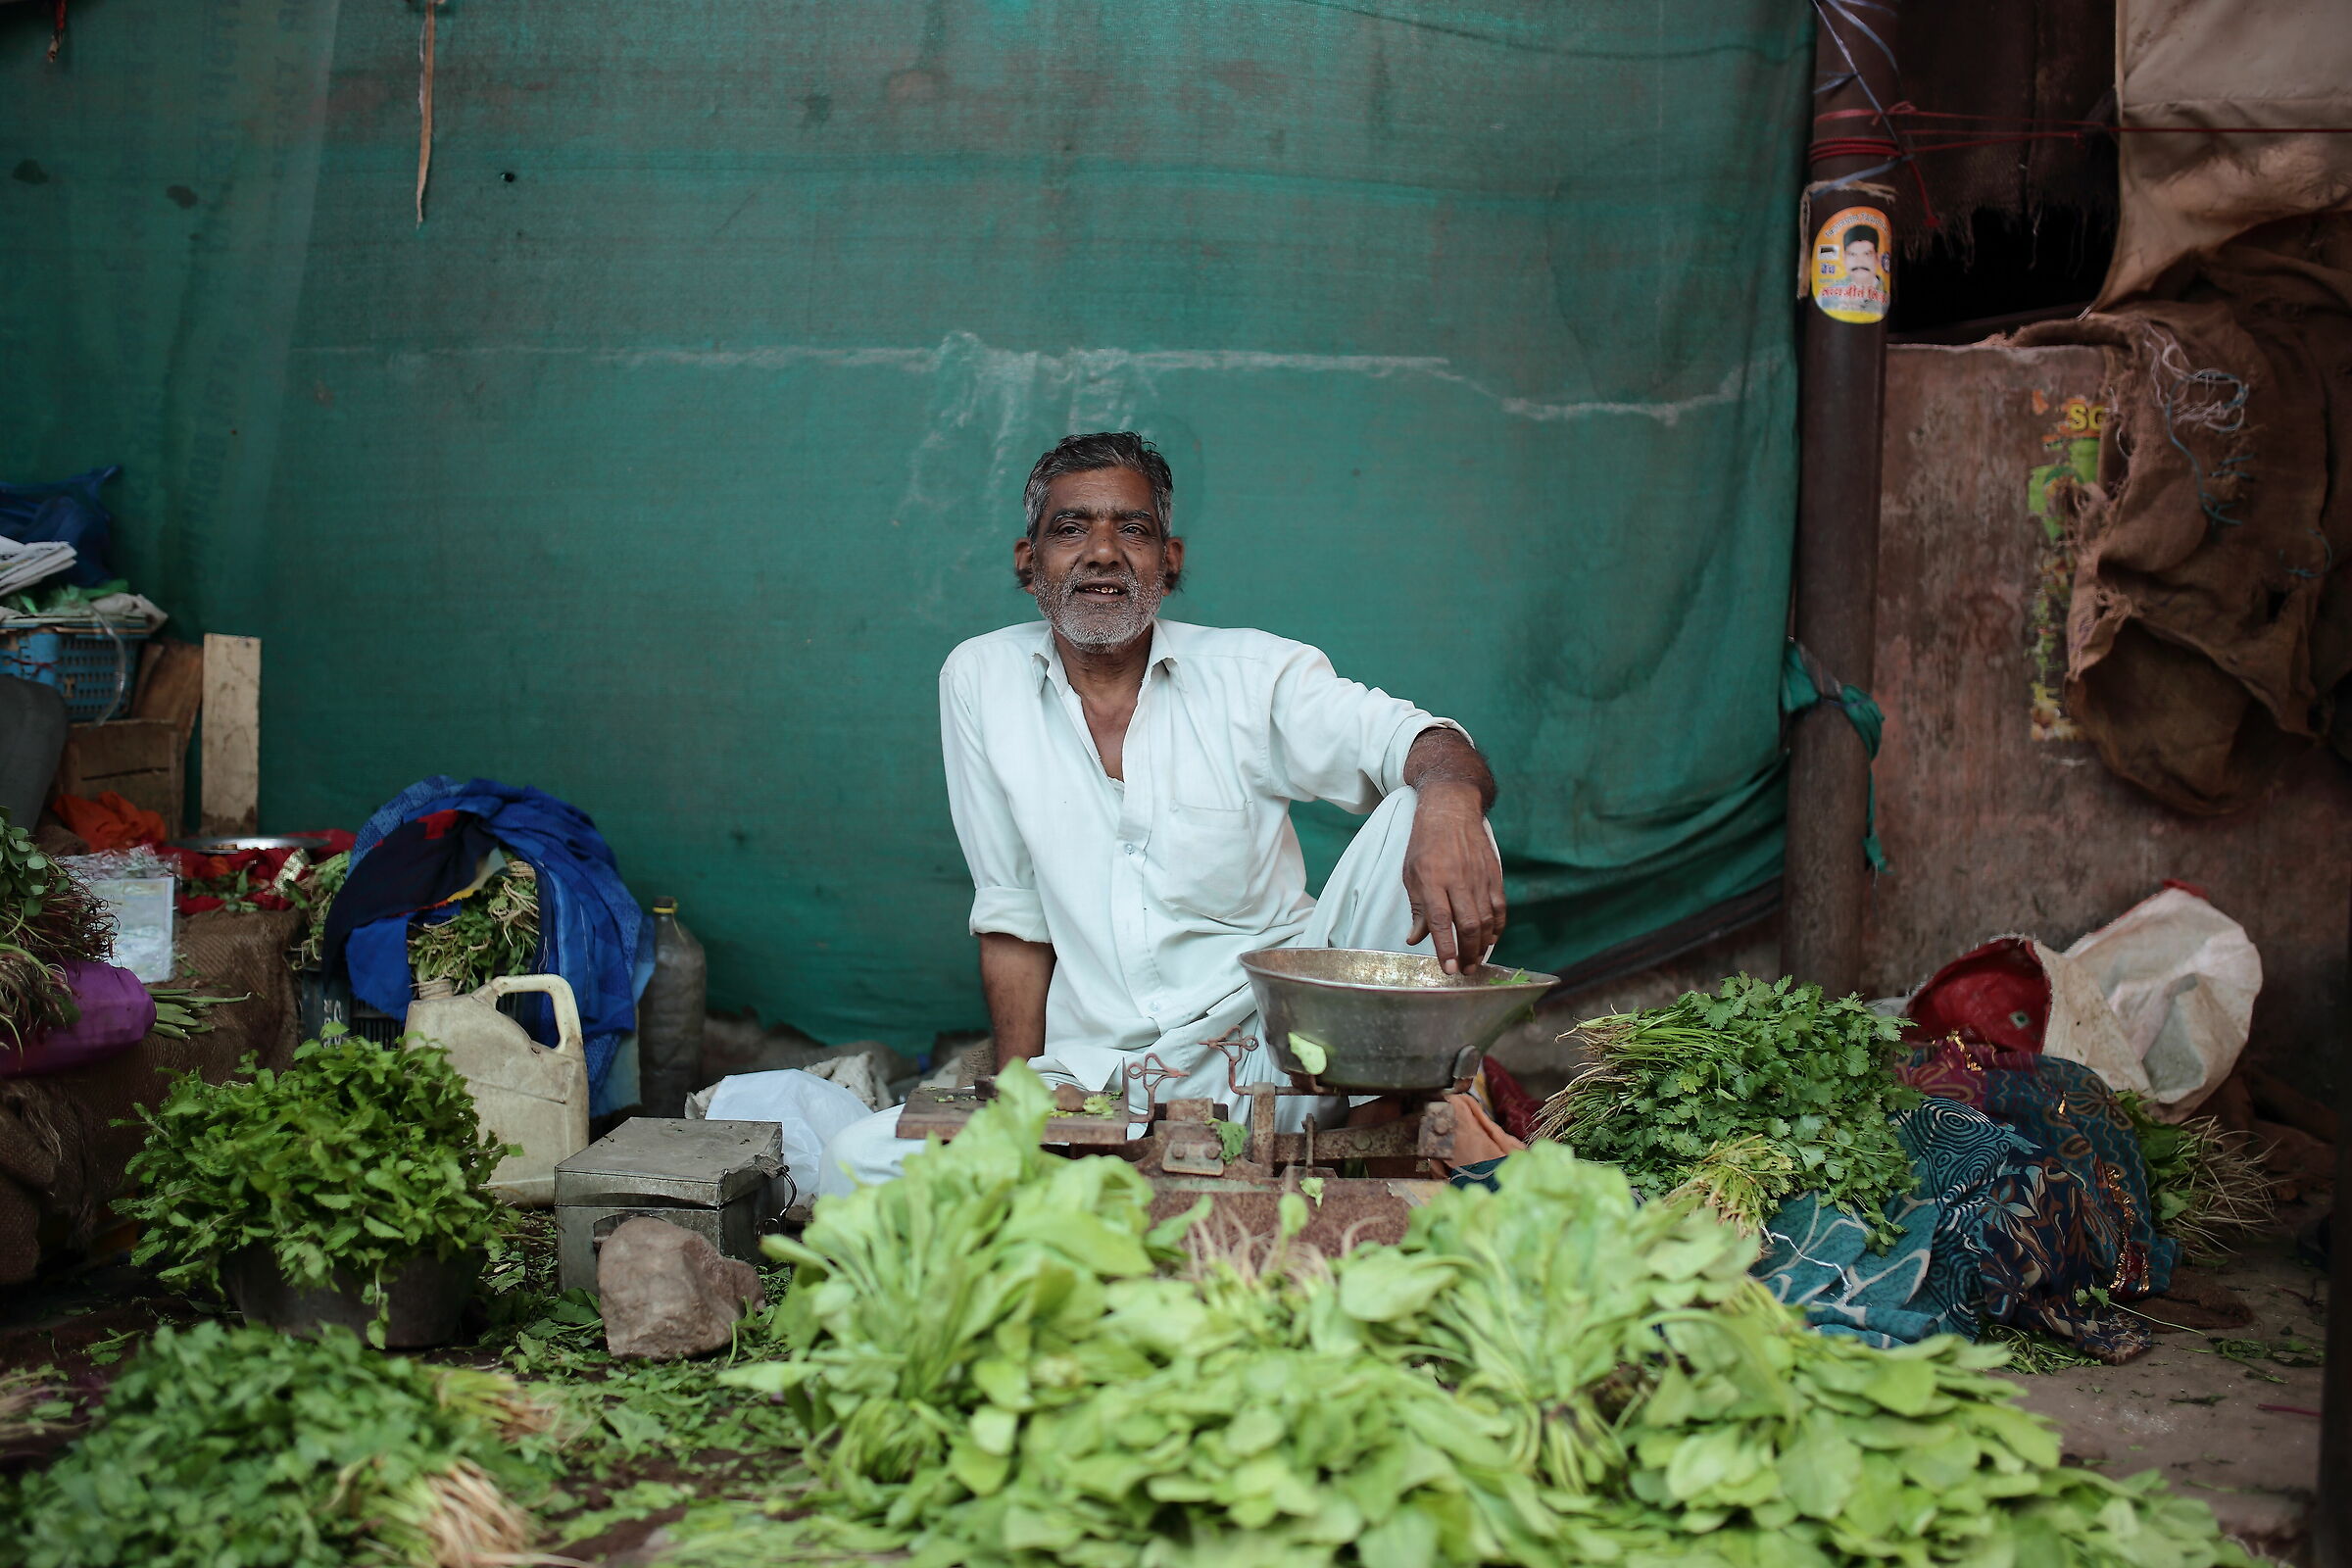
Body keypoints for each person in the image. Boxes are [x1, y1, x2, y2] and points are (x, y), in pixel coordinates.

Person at [820, 431, 1505, 1191]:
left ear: (1169, 562)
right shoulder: (981, 680)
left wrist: (1448, 800)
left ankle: (1379, 1117)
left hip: (1284, 1057)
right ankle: (1143, 1181)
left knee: (1428, 800)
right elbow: (1014, 918)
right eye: (1071, 527)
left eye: (1133, 529)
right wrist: (1021, 1116)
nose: (1103, 552)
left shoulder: (1255, 674)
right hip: (1105, 1078)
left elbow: (1422, 742)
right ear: (1028, 562)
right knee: (855, 1162)